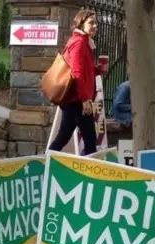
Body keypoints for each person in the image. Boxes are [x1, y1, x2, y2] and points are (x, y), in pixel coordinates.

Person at [48, 10, 107, 155]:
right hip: (77, 100)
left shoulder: (83, 42)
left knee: (65, 136)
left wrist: (97, 69)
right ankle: (89, 172)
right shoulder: (79, 43)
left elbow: (84, 69)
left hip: (75, 100)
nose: (95, 26)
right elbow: (77, 73)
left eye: (96, 22)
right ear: (81, 24)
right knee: (89, 139)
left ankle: (46, 162)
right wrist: (85, 100)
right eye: (91, 23)